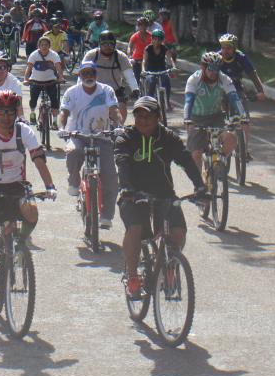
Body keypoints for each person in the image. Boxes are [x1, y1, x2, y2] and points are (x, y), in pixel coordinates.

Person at [116, 96, 208, 298]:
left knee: (178, 233)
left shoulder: (167, 137)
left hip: (163, 193)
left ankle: (168, 266)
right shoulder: (126, 137)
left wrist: (200, 186)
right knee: (136, 228)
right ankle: (133, 278)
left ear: (158, 117)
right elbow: (122, 162)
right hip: (133, 194)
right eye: (139, 116)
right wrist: (127, 189)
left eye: (148, 116)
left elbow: (186, 160)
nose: (143, 121)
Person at [0, 90, 58, 302]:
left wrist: (50, 185)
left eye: (10, 112)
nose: (6, 117)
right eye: (2, 112)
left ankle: (20, 245)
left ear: (16, 112)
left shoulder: (23, 131)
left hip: (17, 186)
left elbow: (38, 160)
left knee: (32, 213)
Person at [58, 61, 121, 228]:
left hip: (102, 137)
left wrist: (119, 125)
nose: (88, 76)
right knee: (73, 151)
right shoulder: (72, 92)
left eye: (91, 73)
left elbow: (114, 110)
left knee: (110, 177)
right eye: (84, 73)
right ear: (80, 75)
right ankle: (74, 181)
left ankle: (106, 216)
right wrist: (62, 128)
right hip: (78, 135)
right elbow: (64, 112)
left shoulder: (106, 90)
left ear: (96, 74)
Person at [184, 51, 247, 172]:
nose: (214, 72)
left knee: (232, 139)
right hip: (196, 119)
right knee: (196, 154)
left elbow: (234, 97)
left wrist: (242, 115)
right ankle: (199, 182)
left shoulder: (224, 79)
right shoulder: (194, 80)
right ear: (203, 67)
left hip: (216, 117)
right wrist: (187, 119)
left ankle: (218, 162)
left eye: (217, 68)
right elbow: (188, 101)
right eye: (211, 68)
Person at [217, 33, 266, 158]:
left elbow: (252, 75)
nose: (225, 51)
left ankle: (244, 150)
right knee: (219, 116)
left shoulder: (241, 57)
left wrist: (260, 91)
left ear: (234, 48)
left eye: (228, 48)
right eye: (223, 47)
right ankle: (219, 141)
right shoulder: (217, 58)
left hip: (236, 89)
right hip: (220, 90)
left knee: (244, 120)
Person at [82, 31, 139, 123]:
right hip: (94, 90)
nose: (107, 47)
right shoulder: (91, 55)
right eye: (104, 44)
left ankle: (119, 128)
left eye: (110, 44)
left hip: (115, 91)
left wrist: (135, 89)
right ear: (100, 44)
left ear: (114, 44)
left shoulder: (121, 56)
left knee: (121, 108)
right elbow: (83, 74)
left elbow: (129, 76)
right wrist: (80, 88)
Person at [23, 36, 65, 126]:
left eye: (46, 45)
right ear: (39, 46)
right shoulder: (34, 55)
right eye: (42, 45)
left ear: (49, 46)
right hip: (35, 81)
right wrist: (26, 79)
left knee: (54, 100)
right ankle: (32, 113)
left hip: (51, 81)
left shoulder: (54, 55)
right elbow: (29, 68)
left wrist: (61, 77)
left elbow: (58, 67)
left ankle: (54, 121)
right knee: (33, 99)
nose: (44, 47)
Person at [141, 28, 176, 108]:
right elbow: (144, 61)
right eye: (155, 39)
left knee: (166, 82)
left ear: (162, 40)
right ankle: (150, 102)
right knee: (151, 82)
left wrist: (174, 67)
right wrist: (143, 70)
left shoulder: (164, 48)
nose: (157, 41)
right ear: (152, 39)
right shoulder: (148, 49)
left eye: (159, 39)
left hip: (162, 70)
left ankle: (167, 101)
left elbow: (170, 58)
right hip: (150, 71)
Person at [128, 16, 152, 84]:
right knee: (136, 79)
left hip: (148, 59)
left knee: (151, 78)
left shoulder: (151, 36)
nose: (143, 27)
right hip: (137, 59)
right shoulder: (134, 36)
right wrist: (130, 56)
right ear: (138, 26)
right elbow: (129, 47)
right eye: (141, 25)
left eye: (145, 25)